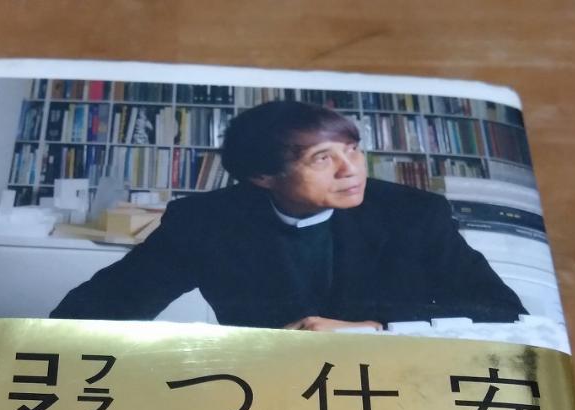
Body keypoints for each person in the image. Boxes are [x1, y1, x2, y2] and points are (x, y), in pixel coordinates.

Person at [50, 100, 526, 330]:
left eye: (353, 150)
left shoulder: (413, 213)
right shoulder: (205, 222)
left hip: (391, 385)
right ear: (263, 176)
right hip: (263, 392)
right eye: (322, 159)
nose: (351, 170)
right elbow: (99, 308)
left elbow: (502, 313)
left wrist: (378, 329)